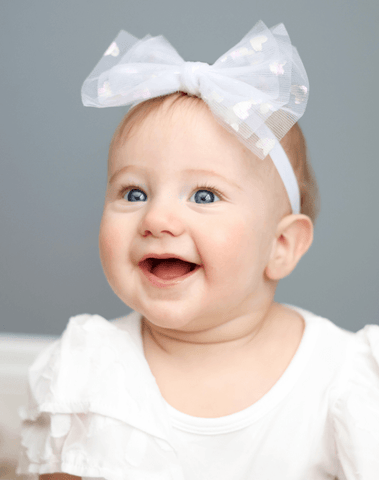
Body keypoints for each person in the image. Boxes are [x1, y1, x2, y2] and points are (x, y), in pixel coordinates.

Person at [17, 20, 379, 480]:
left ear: (281, 245)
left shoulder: (341, 379)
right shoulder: (89, 368)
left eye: (204, 196)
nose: (156, 219)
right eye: (133, 193)